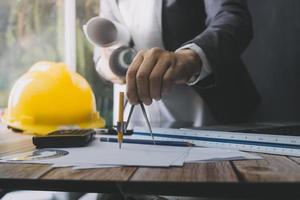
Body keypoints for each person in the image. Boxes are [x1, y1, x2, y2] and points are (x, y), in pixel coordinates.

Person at [94, 0, 260, 132]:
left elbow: (233, 18)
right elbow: (100, 51)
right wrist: (109, 68)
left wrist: (189, 57)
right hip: (133, 119)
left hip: (209, 111)